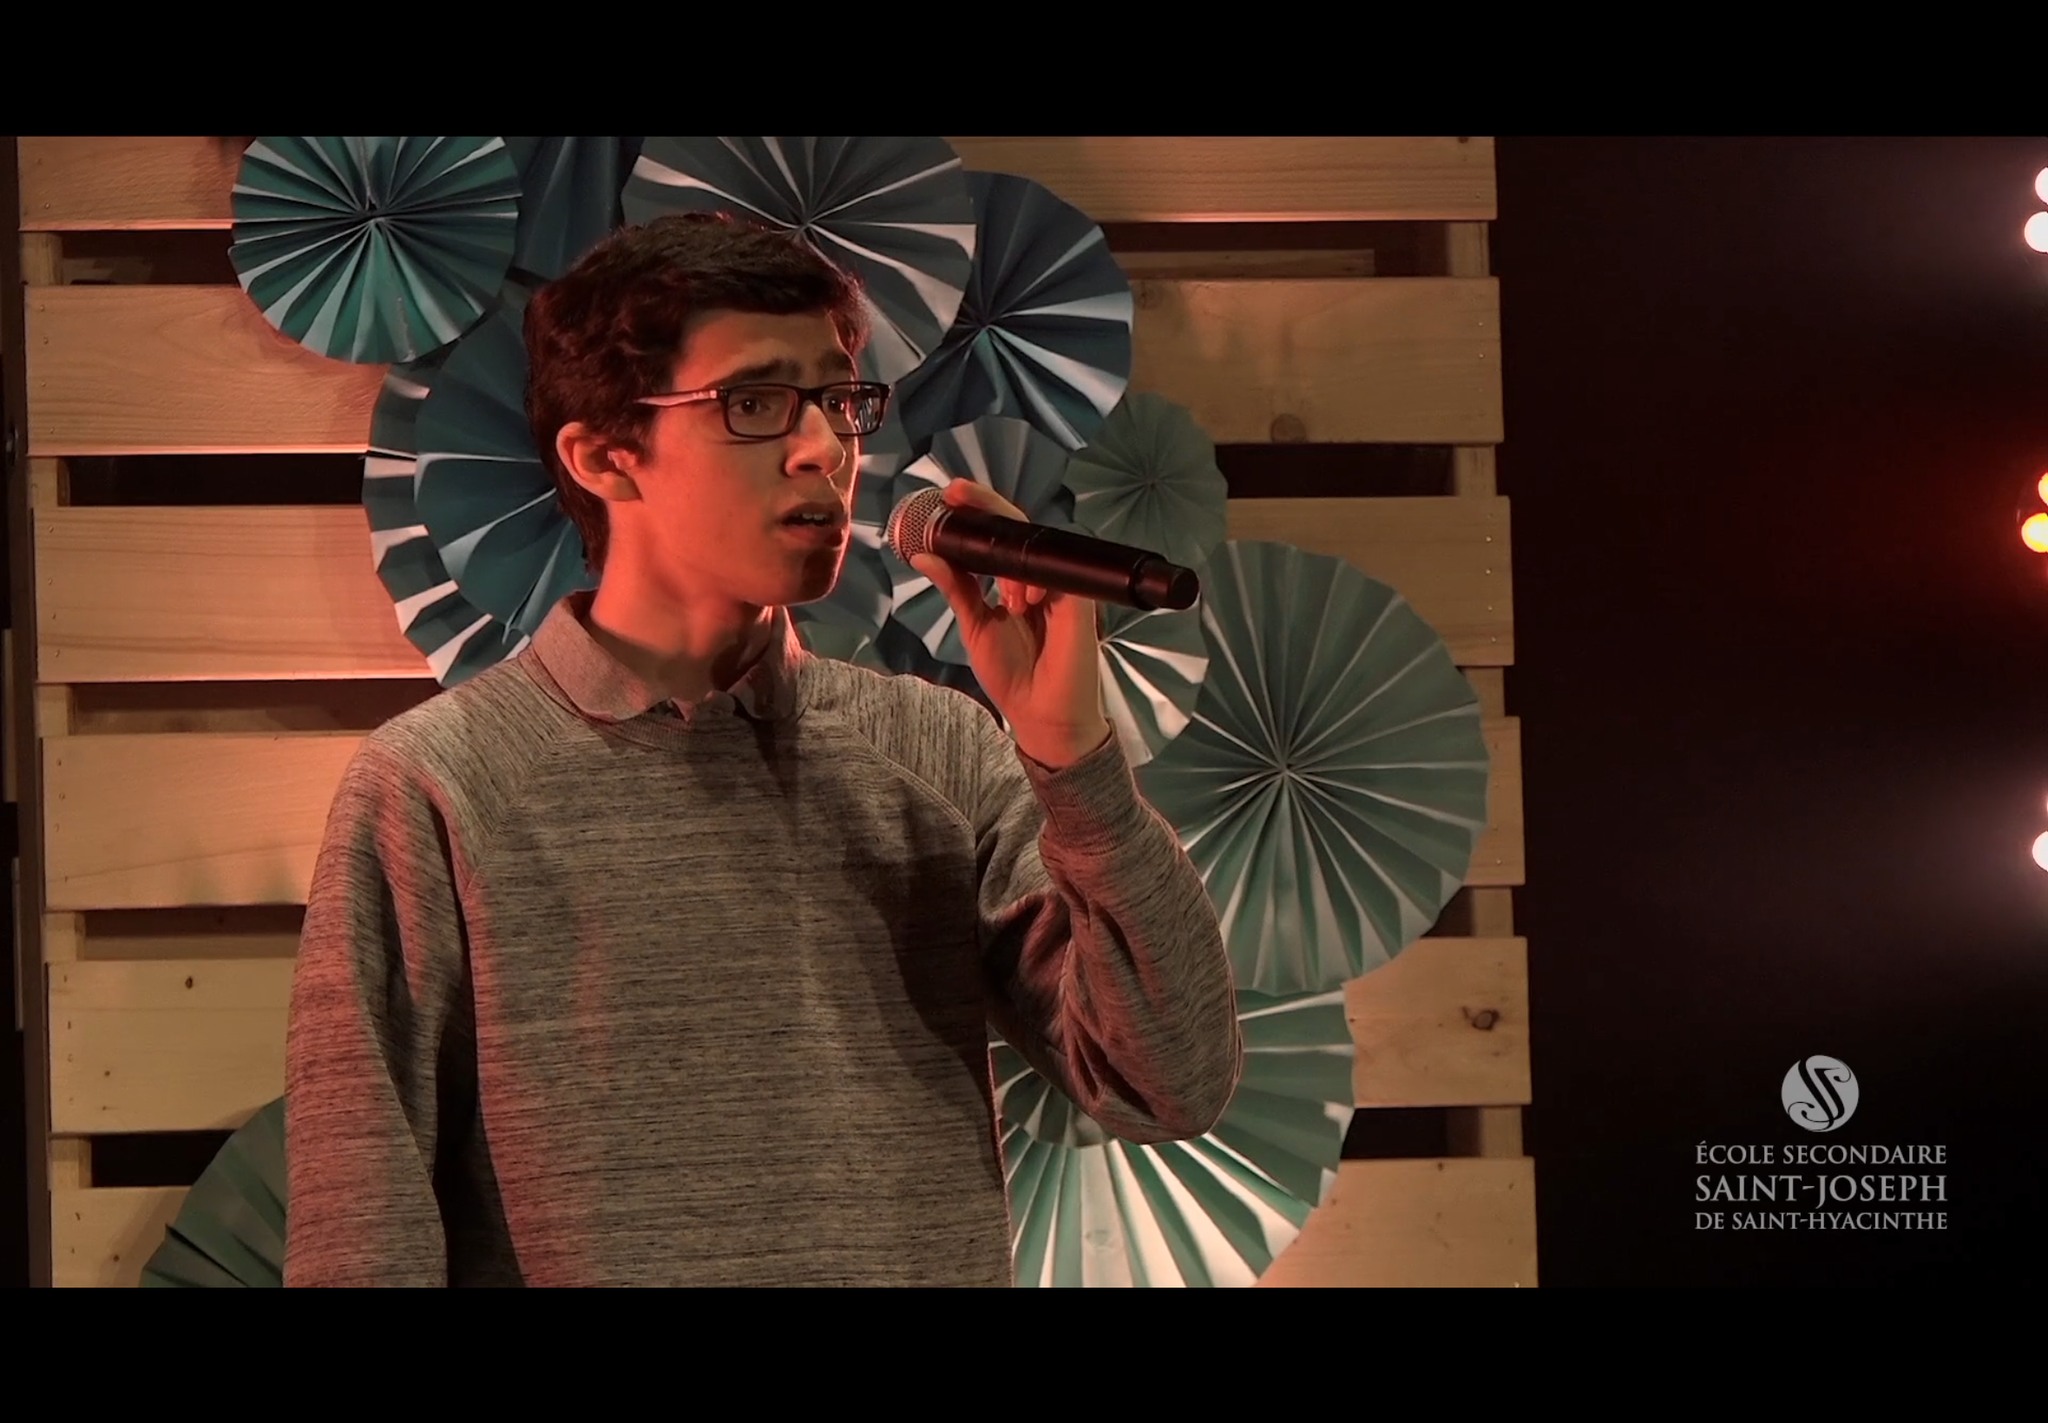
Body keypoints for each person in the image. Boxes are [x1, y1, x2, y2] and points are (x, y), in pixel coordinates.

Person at [283, 211, 1243, 1287]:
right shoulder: (440, 785)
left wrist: (1074, 760)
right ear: (605, 456)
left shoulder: (935, 750)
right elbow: (360, 1233)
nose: (825, 447)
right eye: (754, 403)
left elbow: (1169, 1081)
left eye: (839, 401)